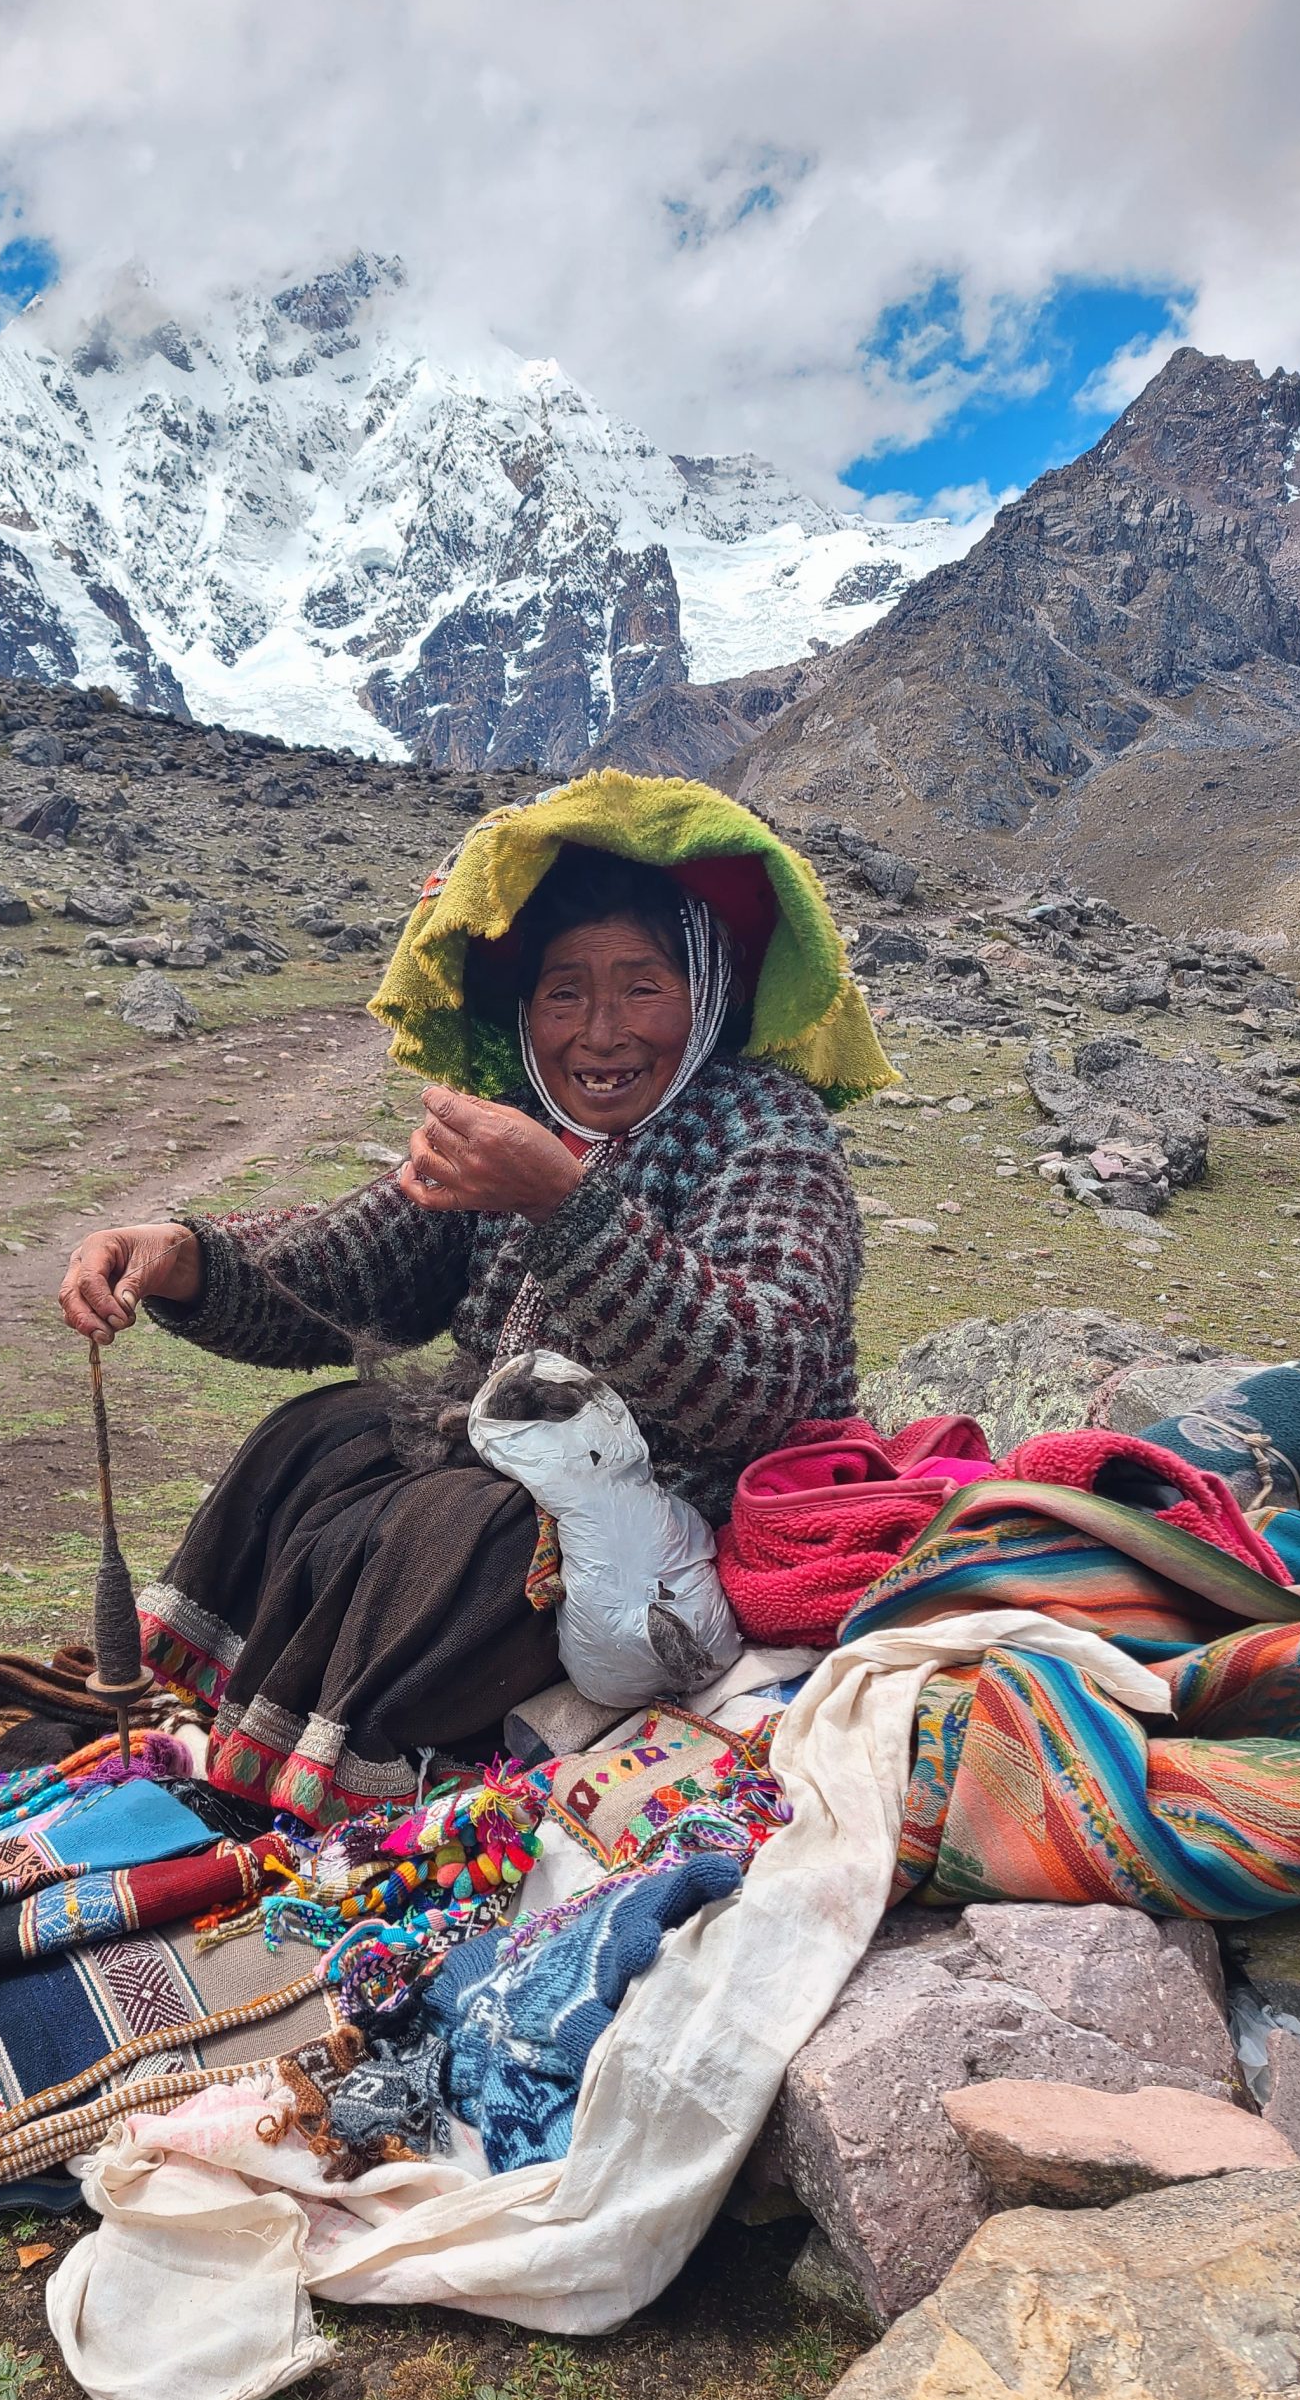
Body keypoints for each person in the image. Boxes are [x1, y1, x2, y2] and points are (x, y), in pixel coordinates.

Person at [58, 771, 885, 1822]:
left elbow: (761, 1378)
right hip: (506, 1471)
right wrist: (178, 1253)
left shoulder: (763, 1126)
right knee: (322, 1439)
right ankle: (260, 1733)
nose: (600, 1031)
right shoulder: (517, 1120)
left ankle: (351, 1771)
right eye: (564, 991)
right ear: (527, 1010)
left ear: (709, 992)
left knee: (463, 1536)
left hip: (678, 1502)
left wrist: (565, 1200)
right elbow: (352, 1263)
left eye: (642, 986)